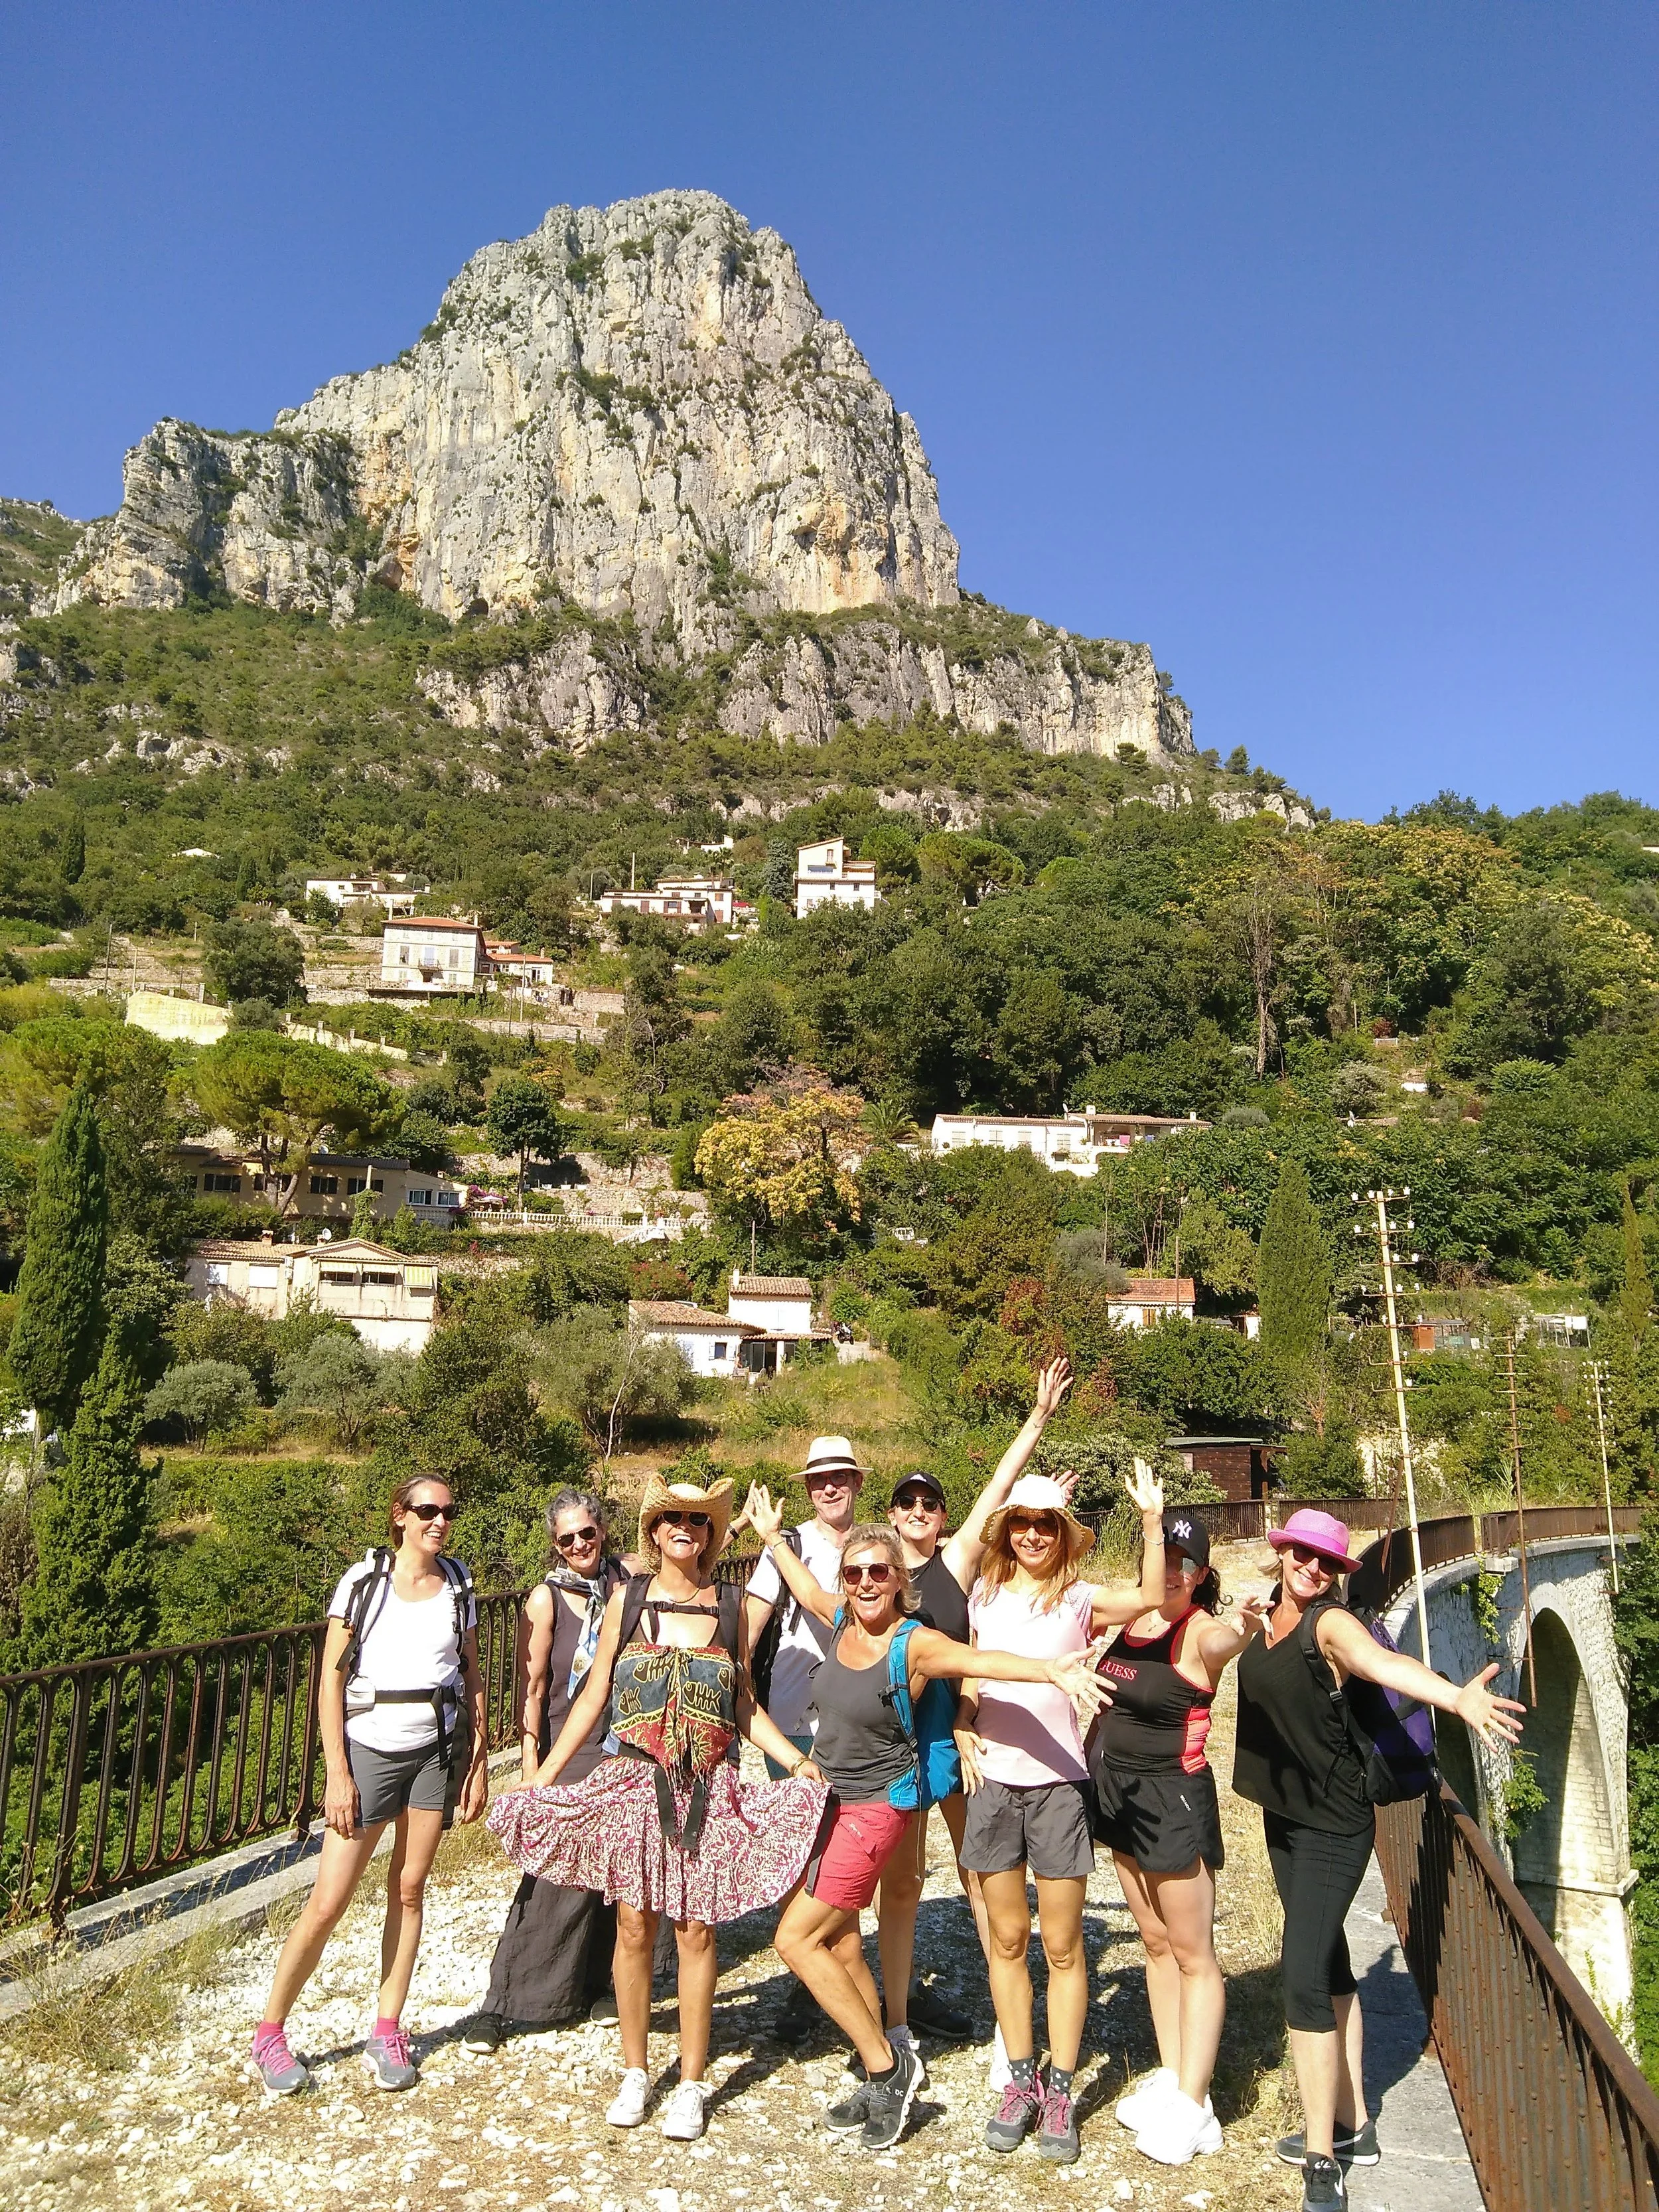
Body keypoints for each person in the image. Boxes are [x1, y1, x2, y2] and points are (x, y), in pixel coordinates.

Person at [745, 1498, 1112, 2154]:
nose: (864, 1583)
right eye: (854, 1573)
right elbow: (802, 1586)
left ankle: (889, 2069)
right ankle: (884, 2055)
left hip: (877, 1809)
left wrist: (1049, 1670)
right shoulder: (837, 1623)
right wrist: (774, 1538)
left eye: (878, 1573)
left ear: (898, 1580)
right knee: (844, 1944)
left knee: (795, 1940)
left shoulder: (913, 1643)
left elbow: (984, 1663)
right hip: (829, 1805)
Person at [488, 1475, 829, 2144]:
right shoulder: (629, 1599)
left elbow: (743, 1708)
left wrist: (795, 1761)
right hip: (632, 1785)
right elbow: (590, 1701)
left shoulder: (731, 1607)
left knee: (696, 1932)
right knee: (634, 1929)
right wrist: (541, 1778)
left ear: (708, 1533)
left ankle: (694, 2081)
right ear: (653, 1530)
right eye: (672, 1517)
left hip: (706, 1787)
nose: (685, 1528)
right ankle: (636, 2070)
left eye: (698, 1520)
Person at [1232, 1509, 1525, 2212]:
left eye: (1326, 1563)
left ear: (1338, 1574)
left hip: (1334, 1826)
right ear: (1282, 1553)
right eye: (1301, 1554)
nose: (1311, 1568)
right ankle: (1355, 2123)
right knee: (1329, 1961)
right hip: (1283, 1817)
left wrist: (1456, 1697)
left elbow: (1379, 1663)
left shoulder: (1330, 1624)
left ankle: (1320, 2157)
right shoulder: (1269, 1613)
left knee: (1300, 1977)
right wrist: (1249, 1619)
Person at [954, 1465, 1167, 2165]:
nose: (1032, 1534)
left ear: (1062, 1535)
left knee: (1064, 1945)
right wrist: (960, 1725)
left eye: (1045, 1524)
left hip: (1058, 1788)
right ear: (1007, 1531)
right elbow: (968, 1672)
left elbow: (1150, 1595)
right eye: (1021, 1522)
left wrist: (1150, 1522)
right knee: (1007, 1940)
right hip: (992, 1783)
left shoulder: (1079, 1599)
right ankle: (1020, 2079)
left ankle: (1063, 2089)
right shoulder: (981, 1592)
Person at [250, 1477, 489, 2096]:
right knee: (329, 1901)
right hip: (371, 1752)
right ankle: (270, 2033)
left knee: (410, 1890)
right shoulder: (364, 1583)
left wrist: (479, 1756)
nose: (440, 1521)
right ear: (400, 1516)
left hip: (434, 1752)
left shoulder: (458, 1582)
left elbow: (471, 1670)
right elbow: (329, 1682)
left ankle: (388, 2029)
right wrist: (337, 1772)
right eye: (428, 1510)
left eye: (448, 1510)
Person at [879, 1357, 1076, 2055]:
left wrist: (1039, 1417)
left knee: (980, 1875)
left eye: (929, 1506)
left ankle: (1009, 2027)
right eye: (908, 1505)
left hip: (958, 1740)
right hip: (896, 1750)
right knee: (899, 1889)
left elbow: (998, 1487)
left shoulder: (954, 1561)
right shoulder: (873, 1572)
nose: (920, 1515)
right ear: (893, 1514)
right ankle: (895, 2021)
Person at [1091, 1508, 1269, 2166]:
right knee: (1155, 1943)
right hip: (1118, 1796)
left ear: (1199, 1577)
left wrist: (1249, 1625)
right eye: (1160, 1557)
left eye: (1182, 1564)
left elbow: (1231, 1643)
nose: (1168, 1571)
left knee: (1194, 1954)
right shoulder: (1130, 1620)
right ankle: (1173, 2077)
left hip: (1171, 1800)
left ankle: (1197, 2108)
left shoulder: (1201, 1634)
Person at [462, 1490, 631, 2052]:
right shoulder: (547, 1598)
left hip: (624, 1741)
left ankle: (604, 1982)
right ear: (555, 1545)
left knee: (620, 1866)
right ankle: (509, 1998)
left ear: (603, 1530)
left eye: (587, 1532)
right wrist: (532, 1764)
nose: (580, 1544)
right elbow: (532, 1687)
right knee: (555, 1871)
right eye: (568, 1538)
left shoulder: (627, 1584)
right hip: (568, 1742)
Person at [741, 1433, 866, 2046]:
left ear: (857, 1482)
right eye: (819, 1479)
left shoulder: (874, 1549)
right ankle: (810, 1972)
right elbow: (751, 1624)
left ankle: (842, 1970)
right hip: (792, 1720)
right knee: (802, 1852)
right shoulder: (786, 1546)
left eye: (839, 1475)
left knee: (848, 1853)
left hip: (859, 1727)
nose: (829, 1486)